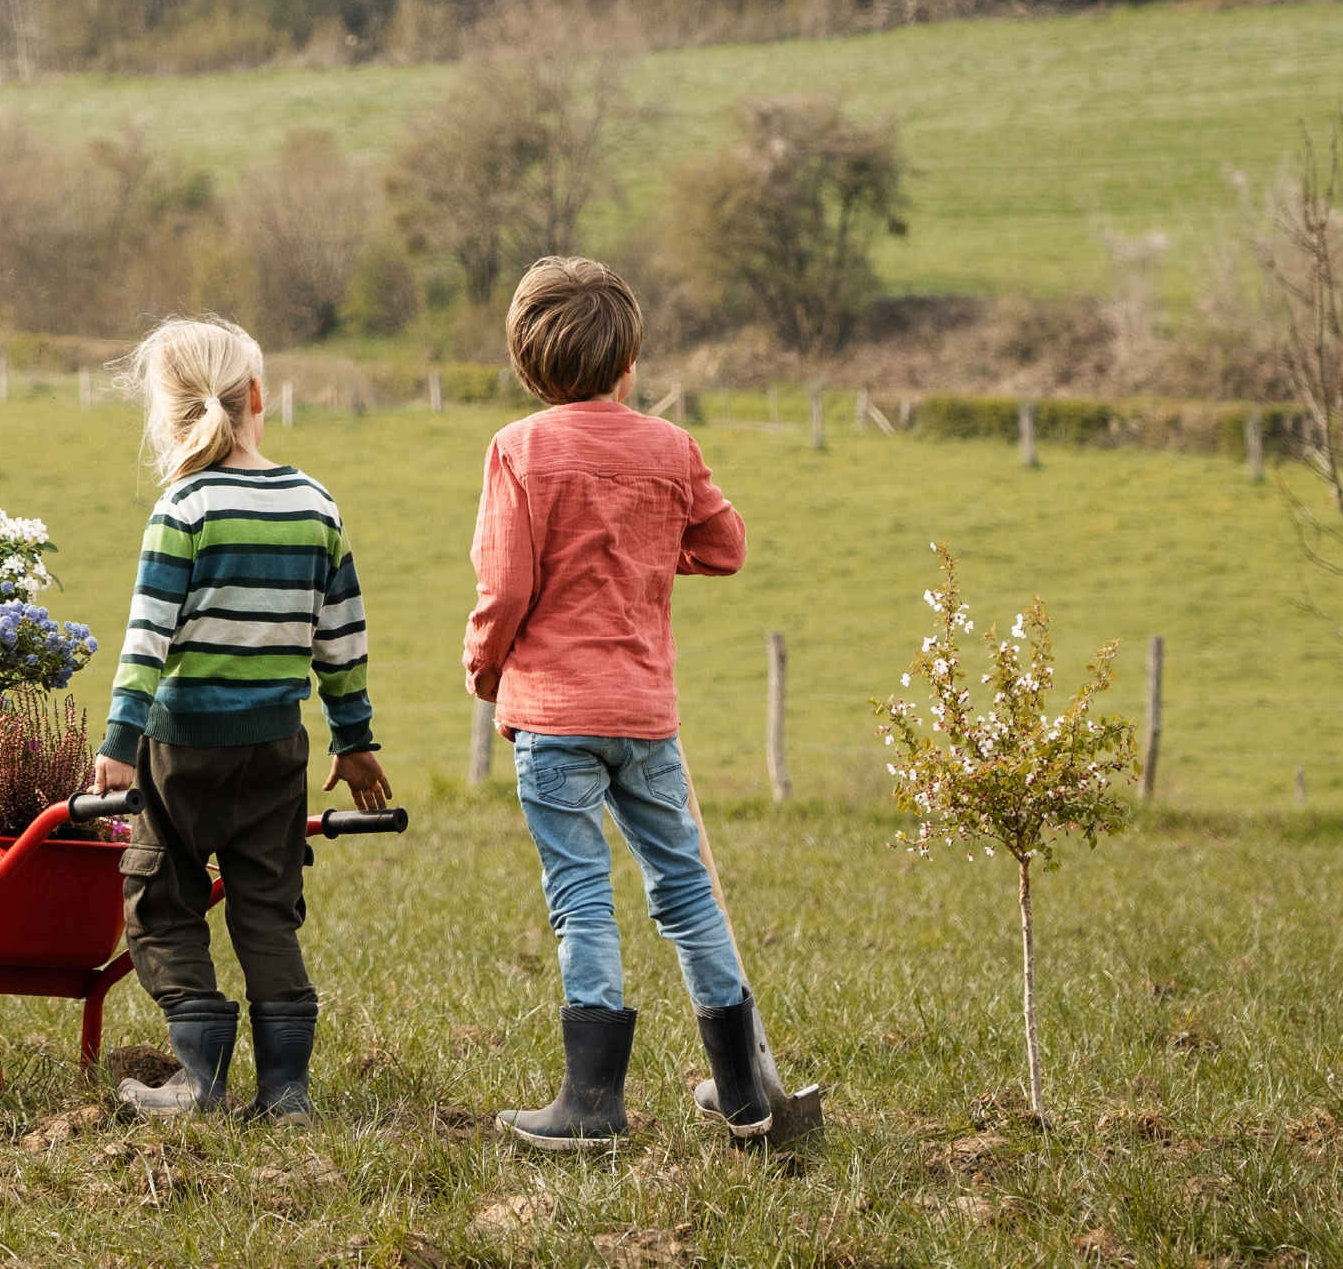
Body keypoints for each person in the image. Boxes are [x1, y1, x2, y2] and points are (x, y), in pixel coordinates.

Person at [465, 257, 821, 1149]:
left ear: (530, 367)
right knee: (686, 886)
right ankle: (744, 1097)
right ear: (630, 361)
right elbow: (728, 544)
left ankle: (592, 1102)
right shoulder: (671, 446)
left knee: (582, 892)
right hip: (645, 715)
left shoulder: (519, 447)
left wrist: (485, 665)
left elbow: (505, 586)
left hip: (552, 714)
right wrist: (648, 545)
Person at [94, 316, 391, 1121]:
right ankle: (286, 1090)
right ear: (260, 397)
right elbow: (342, 642)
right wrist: (356, 742)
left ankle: (201, 1076)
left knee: (161, 903)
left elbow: (147, 640)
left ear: (168, 416)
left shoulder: (183, 509)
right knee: (268, 909)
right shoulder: (314, 505)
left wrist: (120, 745)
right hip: (275, 751)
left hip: (183, 752)